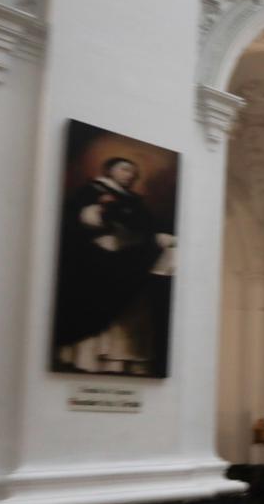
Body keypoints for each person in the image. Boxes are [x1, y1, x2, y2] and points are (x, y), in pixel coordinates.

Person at [51, 156, 177, 375]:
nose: (130, 175)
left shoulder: (133, 200)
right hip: (98, 259)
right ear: (110, 171)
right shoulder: (92, 190)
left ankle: (122, 358)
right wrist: (101, 215)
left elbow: (144, 226)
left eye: (133, 172)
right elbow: (81, 220)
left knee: (133, 304)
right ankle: (91, 357)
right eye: (125, 169)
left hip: (129, 257)